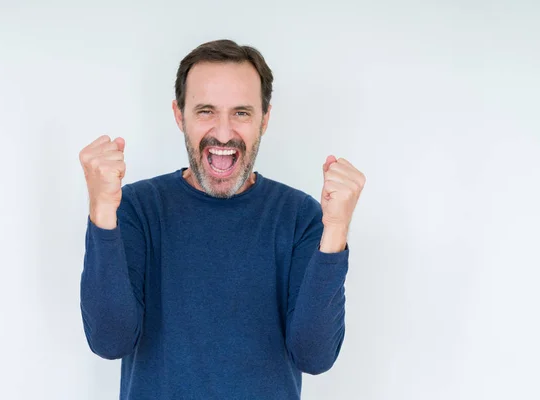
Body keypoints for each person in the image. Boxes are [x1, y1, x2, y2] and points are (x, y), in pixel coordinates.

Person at [78, 39, 366, 400]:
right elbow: (109, 340)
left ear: (265, 119)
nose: (224, 132)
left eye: (242, 113)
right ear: (179, 114)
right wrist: (102, 210)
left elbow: (315, 355)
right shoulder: (137, 208)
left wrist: (336, 230)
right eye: (206, 111)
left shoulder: (300, 216)